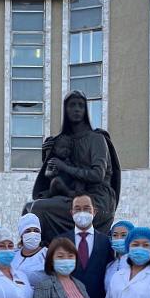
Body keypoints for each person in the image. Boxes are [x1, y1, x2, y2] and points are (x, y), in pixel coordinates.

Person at [30, 90, 121, 243]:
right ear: (65, 110)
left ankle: (49, 249)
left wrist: (64, 167)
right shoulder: (64, 140)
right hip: (73, 196)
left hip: (97, 199)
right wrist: (48, 156)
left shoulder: (97, 139)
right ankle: (43, 249)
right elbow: (53, 177)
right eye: (72, 105)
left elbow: (97, 175)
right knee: (29, 208)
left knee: (39, 208)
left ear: (86, 110)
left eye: (81, 105)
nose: (77, 109)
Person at [12, 213, 48, 288]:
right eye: (28, 231)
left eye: (36, 230)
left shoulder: (47, 255)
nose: (32, 233)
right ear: (21, 235)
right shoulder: (13, 254)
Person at [104, 220, 134, 291]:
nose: (119, 238)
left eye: (123, 235)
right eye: (115, 235)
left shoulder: (138, 265)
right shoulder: (110, 266)